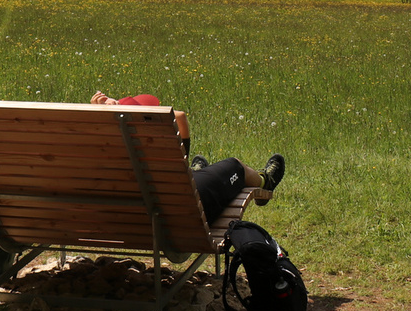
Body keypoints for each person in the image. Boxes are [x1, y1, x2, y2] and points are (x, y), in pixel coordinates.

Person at [91, 90, 285, 221]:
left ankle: (194, 171)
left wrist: (102, 113)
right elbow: (180, 117)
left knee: (186, 175)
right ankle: (264, 181)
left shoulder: (98, 151)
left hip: (122, 219)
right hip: (180, 213)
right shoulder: (154, 146)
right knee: (236, 167)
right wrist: (139, 113)